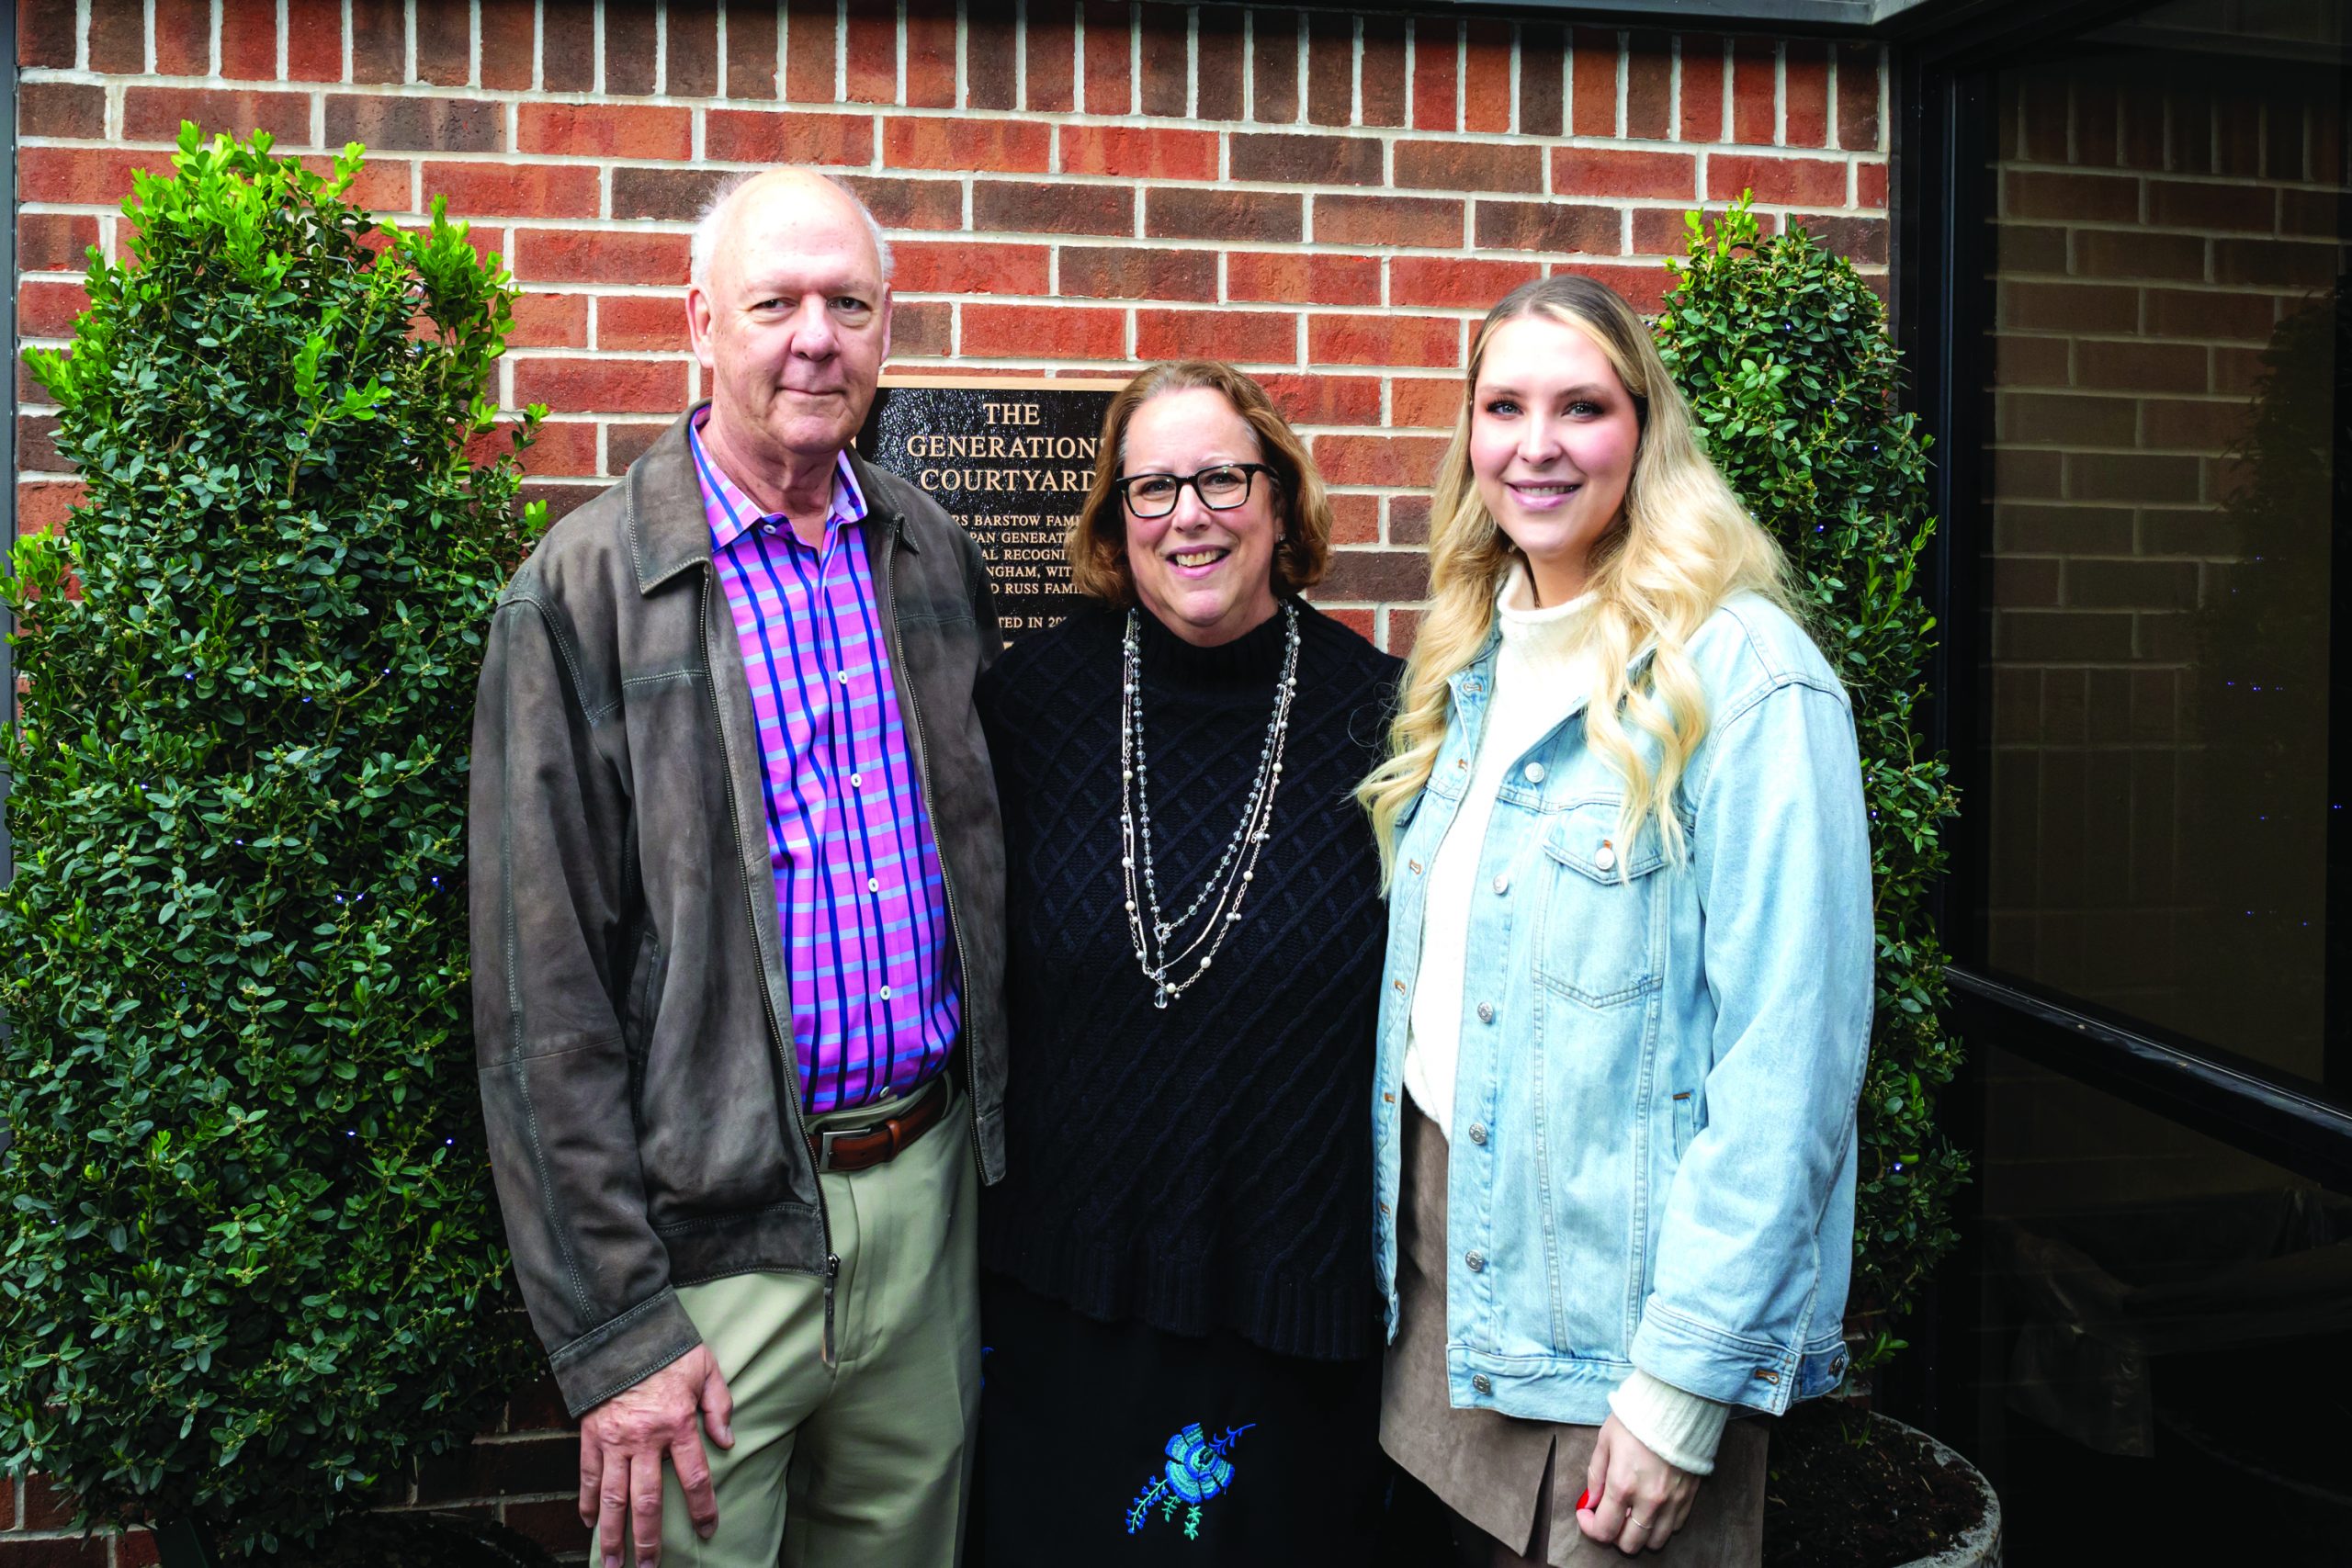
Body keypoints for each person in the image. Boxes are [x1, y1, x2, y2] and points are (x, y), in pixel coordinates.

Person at [469, 167, 1006, 1568]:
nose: (814, 337)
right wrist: (615, 1329)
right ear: (702, 323)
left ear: (888, 331)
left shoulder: (930, 558)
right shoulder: (581, 593)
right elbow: (541, 1009)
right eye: (776, 303)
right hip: (711, 1258)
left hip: (926, 1196)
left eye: (849, 304)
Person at [1359, 276, 1873, 1566]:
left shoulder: (1747, 680)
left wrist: (1680, 1392)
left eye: (1581, 406)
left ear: (1646, 432)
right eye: (1504, 406)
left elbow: (1789, 1072)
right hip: (1443, 1331)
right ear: (1469, 438)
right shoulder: (1468, 667)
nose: (1537, 445)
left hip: (1619, 1364)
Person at [971, 360, 1401, 1563]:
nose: (1190, 515)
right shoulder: (1031, 707)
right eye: (1152, 487)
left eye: (1220, 477)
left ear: (1278, 497)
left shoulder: (1389, 721)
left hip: (1287, 1305)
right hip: (1068, 1297)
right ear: (1115, 520)